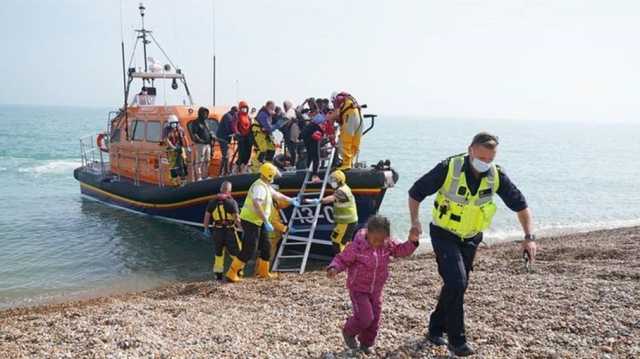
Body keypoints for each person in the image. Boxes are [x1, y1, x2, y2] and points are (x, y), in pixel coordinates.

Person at [407, 132, 537, 356]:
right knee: (457, 282)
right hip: (443, 234)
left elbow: (521, 205)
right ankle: (457, 342)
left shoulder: (496, 176)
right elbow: (415, 192)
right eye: (481, 158)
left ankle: (435, 328)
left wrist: (529, 238)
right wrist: (414, 222)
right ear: (471, 150)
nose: (485, 164)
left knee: (457, 284)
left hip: (471, 238)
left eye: (490, 160)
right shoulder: (449, 167)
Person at [327, 215, 419, 354]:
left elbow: (401, 250)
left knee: (375, 319)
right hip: (358, 289)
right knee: (365, 317)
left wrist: (413, 241)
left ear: (387, 237)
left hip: (376, 290)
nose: (377, 243)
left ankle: (366, 344)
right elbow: (342, 259)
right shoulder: (357, 247)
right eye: (374, 240)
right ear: (368, 233)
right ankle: (349, 331)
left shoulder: (387, 245)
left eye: (381, 240)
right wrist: (334, 268)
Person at [225, 163, 300, 282]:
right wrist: (266, 221)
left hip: (258, 221)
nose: (275, 177)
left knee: (266, 247)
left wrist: (290, 200)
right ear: (269, 175)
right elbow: (256, 204)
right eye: (274, 175)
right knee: (249, 249)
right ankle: (232, 273)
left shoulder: (265, 185)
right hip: (251, 221)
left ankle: (264, 272)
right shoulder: (259, 187)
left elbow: (277, 195)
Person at [306, 170, 357, 254]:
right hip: (343, 222)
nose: (332, 183)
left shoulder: (342, 191)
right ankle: (347, 259)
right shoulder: (341, 188)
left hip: (347, 222)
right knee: (340, 240)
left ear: (339, 181)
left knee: (338, 241)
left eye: (333, 181)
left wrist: (316, 200)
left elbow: (331, 199)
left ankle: (343, 261)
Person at [203, 181, 241, 281]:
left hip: (217, 231)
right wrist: (242, 228)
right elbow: (237, 219)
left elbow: (207, 217)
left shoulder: (212, 202)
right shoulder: (231, 202)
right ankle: (237, 272)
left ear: (221, 189)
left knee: (218, 254)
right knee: (237, 253)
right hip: (230, 231)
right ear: (229, 191)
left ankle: (218, 276)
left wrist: (206, 229)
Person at [326, 91, 363, 170]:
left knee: (343, 141)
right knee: (355, 143)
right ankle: (350, 162)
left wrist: (332, 141)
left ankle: (346, 163)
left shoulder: (337, 100)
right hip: (359, 118)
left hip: (350, 116)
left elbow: (336, 114)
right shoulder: (349, 100)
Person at [188, 107, 213, 181]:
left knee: (207, 160)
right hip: (200, 145)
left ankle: (205, 175)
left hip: (208, 144)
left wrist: (211, 135)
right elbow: (194, 134)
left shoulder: (206, 122)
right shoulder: (195, 122)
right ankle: (199, 177)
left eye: (206, 113)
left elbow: (209, 131)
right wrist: (200, 140)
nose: (205, 115)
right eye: (204, 113)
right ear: (200, 113)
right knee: (199, 161)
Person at [163, 115, 188, 186]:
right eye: (172, 123)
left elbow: (184, 137)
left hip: (180, 148)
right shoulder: (166, 130)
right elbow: (166, 140)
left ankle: (183, 179)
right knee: (173, 166)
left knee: (183, 163)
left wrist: (187, 147)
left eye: (175, 122)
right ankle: (174, 181)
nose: (174, 124)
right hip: (171, 150)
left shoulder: (180, 129)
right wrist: (173, 147)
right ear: (169, 123)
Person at [300, 112, 325, 183]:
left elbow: (301, 135)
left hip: (306, 137)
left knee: (310, 155)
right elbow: (321, 131)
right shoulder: (318, 124)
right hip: (312, 138)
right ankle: (315, 175)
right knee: (316, 157)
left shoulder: (310, 124)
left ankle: (308, 168)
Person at [251, 101, 277, 169]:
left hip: (264, 134)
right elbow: (268, 127)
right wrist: (277, 125)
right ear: (268, 107)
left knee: (272, 148)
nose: (273, 110)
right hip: (258, 133)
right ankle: (255, 167)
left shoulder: (268, 115)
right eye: (272, 108)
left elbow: (269, 127)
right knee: (262, 149)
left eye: (273, 109)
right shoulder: (263, 114)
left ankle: (268, 166)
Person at [217, 106, 238, 176]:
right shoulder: (228, 116)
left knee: (225, 156)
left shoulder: (230, 117)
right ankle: (226, 171)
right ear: (233, 111)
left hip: (225, 138)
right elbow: (228, 128)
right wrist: (234, 134)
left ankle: (222, 172)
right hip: (223, 138)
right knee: (226, 155)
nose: (236, 113)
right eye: (236, 112)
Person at [234, 101, 253, 174]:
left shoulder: (248, 116)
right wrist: (237, 133)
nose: (244, 109)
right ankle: (235, 170)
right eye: (242, 108)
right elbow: (234, 125)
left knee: (247, 154)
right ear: (240, 108)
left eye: (245, 108)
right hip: (241, 137)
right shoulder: (237, 115)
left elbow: (250, 125)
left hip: (248, 137)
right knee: (241, 155)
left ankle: (243, 170)